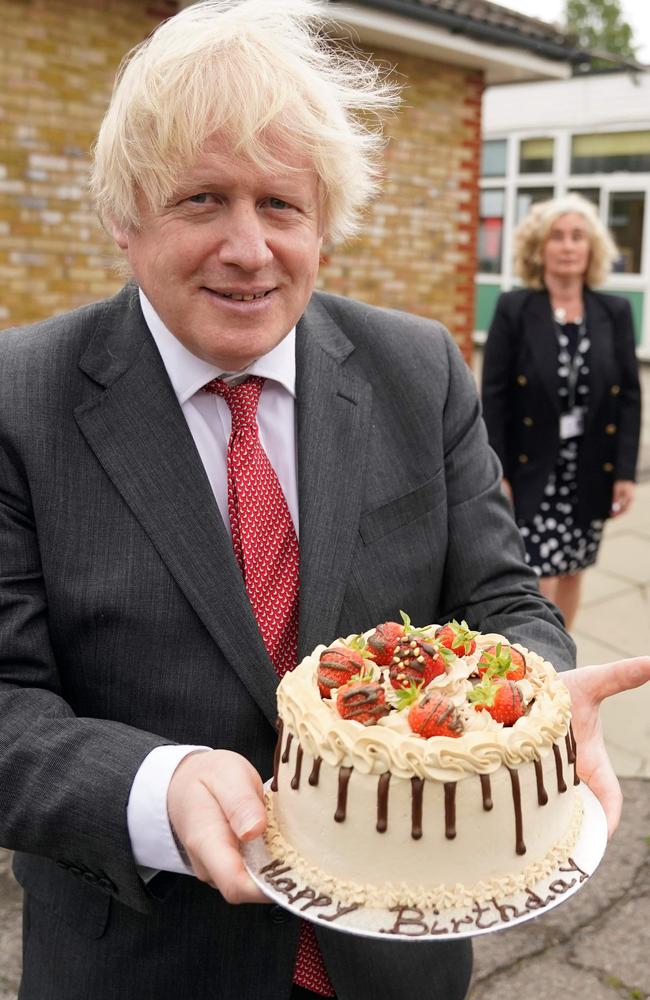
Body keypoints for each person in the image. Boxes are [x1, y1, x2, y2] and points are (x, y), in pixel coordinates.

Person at [0, 4, 648, 999]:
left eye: (281, 205)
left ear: (325, 228)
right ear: (124, 219)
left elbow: (506, 605)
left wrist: (528, 699)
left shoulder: (418, 369)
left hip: (398, 959)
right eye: (203, 199)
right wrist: (153, 786)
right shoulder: (20, 398)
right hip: (146, 960)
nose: (248, 247)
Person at [481, 194, 641, 629]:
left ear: (591, 249)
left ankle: (562, 656)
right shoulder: (515, 308)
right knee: (537, 576)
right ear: (540, 247)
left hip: (590, 465)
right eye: (557, 236)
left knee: (573, 566)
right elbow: (494, 395)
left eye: (578, 237)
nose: (568, 246)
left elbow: (628, 394)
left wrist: (624, 471)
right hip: (533, 465)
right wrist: (498, 470)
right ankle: (539, 659)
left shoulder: (614, 311)